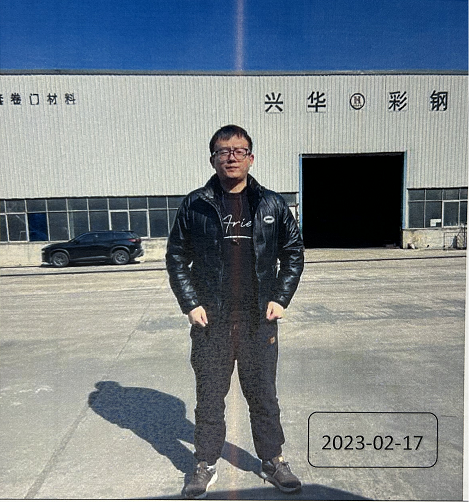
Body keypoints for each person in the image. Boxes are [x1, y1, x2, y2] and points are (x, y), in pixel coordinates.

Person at [166, 125, 304, 499]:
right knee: (210, 396)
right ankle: (204, 463)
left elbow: (293, 252)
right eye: (223, 151)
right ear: (212, 159)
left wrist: (281, 297)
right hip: (212, 321)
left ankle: (273, 460)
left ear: (251, 158)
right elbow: (176, 256)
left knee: (263, 394)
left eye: (239, 151)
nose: (231, 157)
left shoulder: (272, 204)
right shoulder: (195, 205)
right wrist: (191, 303)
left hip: (259, 319)